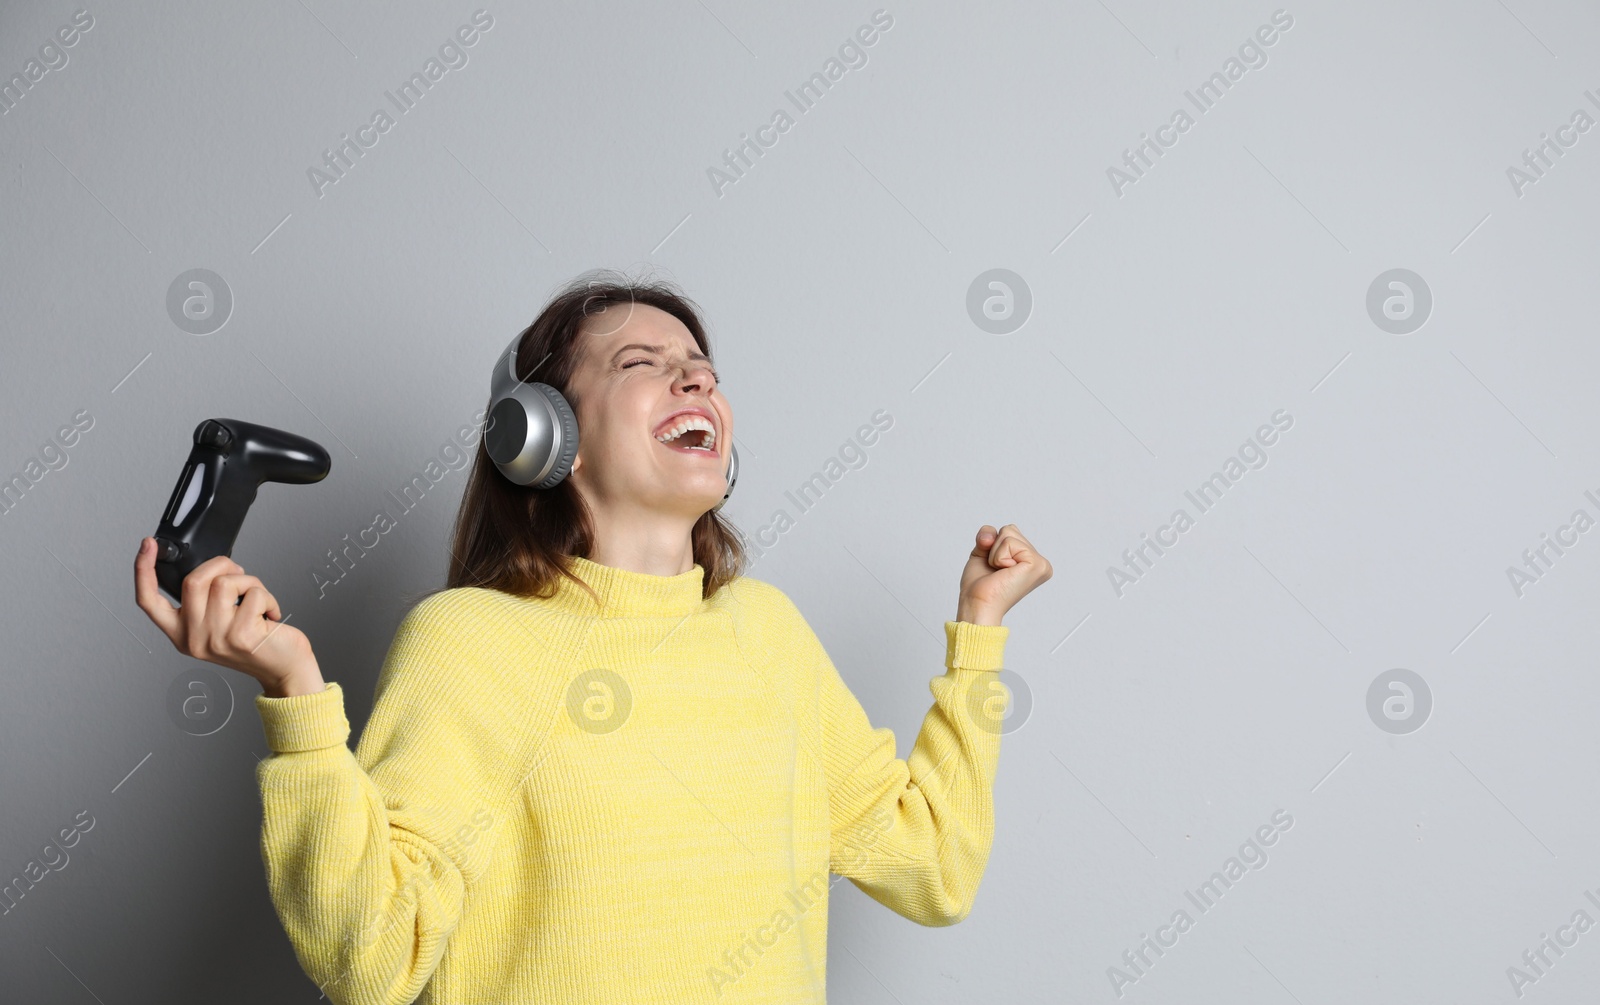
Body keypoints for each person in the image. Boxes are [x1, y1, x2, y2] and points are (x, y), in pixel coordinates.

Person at [132, 271, 1052, 1004]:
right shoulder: (469, 643)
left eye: (702, 366)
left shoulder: (768, 635)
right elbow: (371, 959)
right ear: (540, 435)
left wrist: (980, 629)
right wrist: (297, 698)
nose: (696, 377)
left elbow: (934, 868)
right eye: (642, 362)